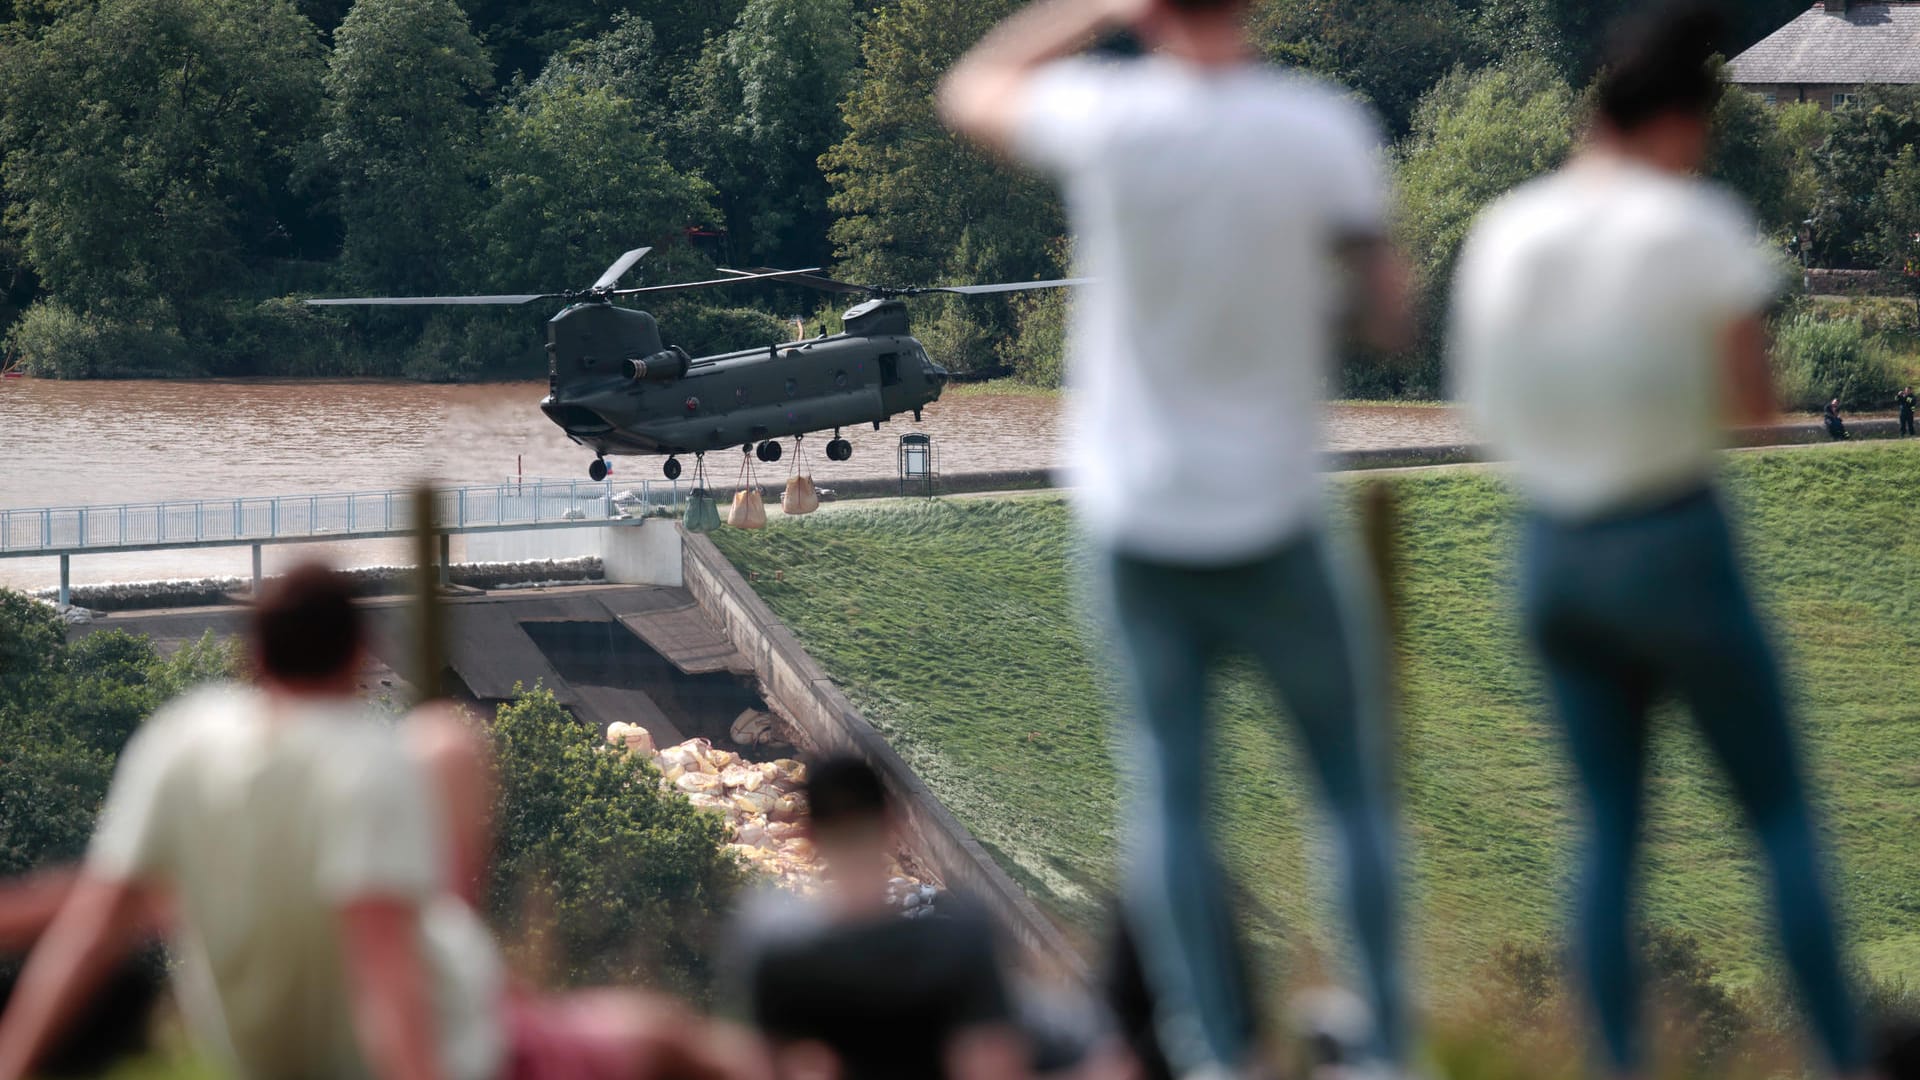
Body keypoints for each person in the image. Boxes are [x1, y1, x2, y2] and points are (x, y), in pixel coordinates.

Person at [940, 2, 1413, 1075]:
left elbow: (968, 90)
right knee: (1349, 785)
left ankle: (1211, 1052)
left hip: (1139, 516)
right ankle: (1386, 1044)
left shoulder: (1107, 118)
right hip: (1279, 512)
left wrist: (1094, 11)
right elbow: (1388, 312)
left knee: (1170, 794)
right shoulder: (1320, 126)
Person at [1449, 5, 1867, 1076]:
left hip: (1552, 551)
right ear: (1682, 120)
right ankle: (1840, 1055)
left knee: (1606, 833)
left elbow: (1485, 409)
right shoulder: (1695, 226)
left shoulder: (1508, 229)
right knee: (1778, 816)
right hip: (1673, 539)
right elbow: (1757, 409)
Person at [0, 563, 753, 1080]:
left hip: (265, 1057)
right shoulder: (365, 761)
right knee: (664, 1040)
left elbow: (94, 925)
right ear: (359, 655)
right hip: (461, 1052)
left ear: (253, 656)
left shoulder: (181, 739)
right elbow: (381, 961)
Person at [730, 754, 1030, 1080]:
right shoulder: (962, 939)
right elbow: (996, 1061)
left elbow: (766, 1064)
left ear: (809, 835)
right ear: (892, 826)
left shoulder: (781, 950)